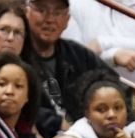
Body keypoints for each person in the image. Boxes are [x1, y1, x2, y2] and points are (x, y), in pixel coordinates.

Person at [25, 0, 116, 129]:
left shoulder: (78, 54)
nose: (50, 19)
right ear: (26, 12)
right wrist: (58, 125)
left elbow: (115, 85)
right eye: (42, 11)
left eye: (57, 13)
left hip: (88, 136)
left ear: (67, 20)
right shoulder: (18, 56)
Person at [62, 0, 135, 88]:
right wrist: (112, 57)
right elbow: (76, 61)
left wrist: (102, 43)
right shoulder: (72, 3)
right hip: (102, 91)